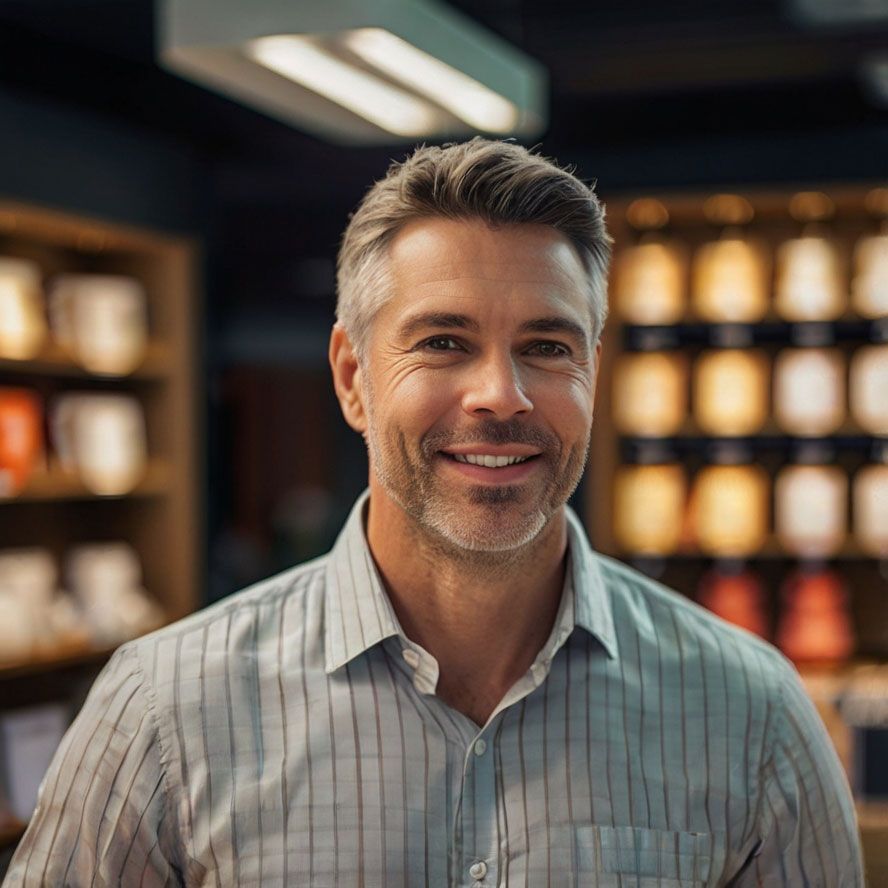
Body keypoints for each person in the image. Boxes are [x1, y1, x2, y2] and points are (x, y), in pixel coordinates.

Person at [4, 139, 862, 887]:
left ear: (594, 375)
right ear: (352, 378)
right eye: (443, 342)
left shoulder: (751, 715)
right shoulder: (163, 712)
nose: (501, 395)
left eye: (546, 348)